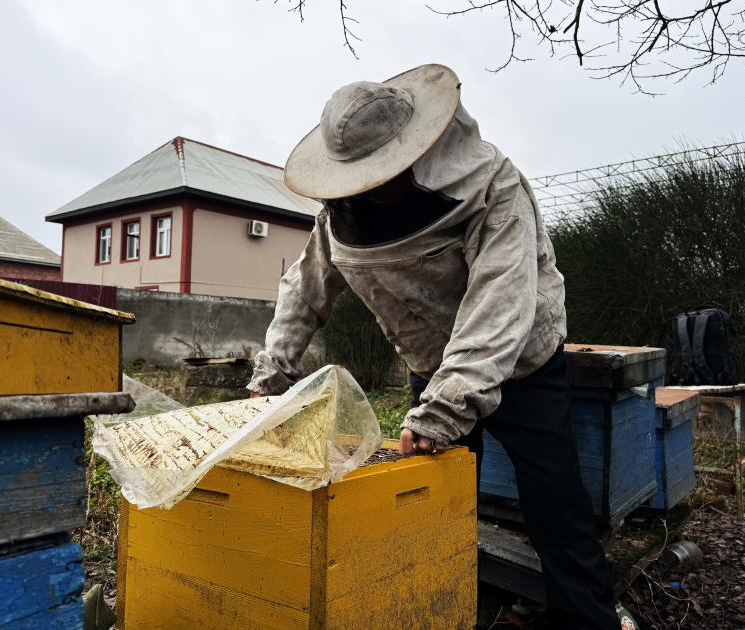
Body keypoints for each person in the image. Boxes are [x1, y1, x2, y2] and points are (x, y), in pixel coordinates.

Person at [248, 64, 620, 630]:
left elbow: (499, 302)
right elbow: (305, 288)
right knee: (431, 499)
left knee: (555, 505)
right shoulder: (340, 213)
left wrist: (446, 408)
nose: (371, 187)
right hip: (431, 363)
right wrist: (272, 373)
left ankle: (584, 620)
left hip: (521, 361)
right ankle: (440, 603)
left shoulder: (493, 186)